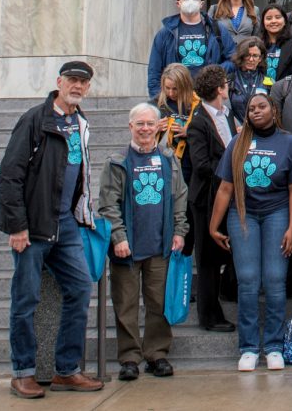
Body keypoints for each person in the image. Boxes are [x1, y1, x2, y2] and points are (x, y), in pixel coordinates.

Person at [0, 60, 104, 398]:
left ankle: (67, 370)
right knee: (25, 299)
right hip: (33, 225)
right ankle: (23, 371)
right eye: (72, 80)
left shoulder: (80, 121)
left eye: (83, 83)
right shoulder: (34, 120)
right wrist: (17, 226)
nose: (77, 86)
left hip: (66, 225)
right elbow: (9, 175)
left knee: (80, 289)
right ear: (59, 81)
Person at [210, 93, 292, 371]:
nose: (256, 112)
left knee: (275, 279)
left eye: (261, 107)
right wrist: (214, 226)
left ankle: (273, 346)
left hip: (277, 213)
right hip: (243, 214)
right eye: (251, 109)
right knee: (248, 281)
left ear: (274, 110)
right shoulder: (238, 143)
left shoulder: (289, 143)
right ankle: (248, 347)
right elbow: (225, 188)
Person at [98, 102, 188, 381]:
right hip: (127, 248)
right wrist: (118, 237)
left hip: (160, 246)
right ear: (131, 127)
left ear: (158, 126)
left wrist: (179, 231)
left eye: (150, 124)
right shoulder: (117, 161)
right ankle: (129, 357)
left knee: (158, 303)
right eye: (140, 124)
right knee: (125, 304)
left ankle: (157, 354)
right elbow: (107, 205)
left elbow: (180, 197)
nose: (145, 129)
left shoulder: (169, 159)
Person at [185, 65, 237, 333]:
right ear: (219, 89)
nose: (228, 87)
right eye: (226, 84)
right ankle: (208, 316)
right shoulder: (198, 122)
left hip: (226, 197)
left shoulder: (226, 115)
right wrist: (230, 173)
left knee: (225, 254)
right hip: (206, 198)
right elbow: (201, 164)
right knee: (207, 261)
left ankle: (226, 296)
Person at [148, 0, 234, 98]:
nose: (190, 0)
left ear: (201, 3)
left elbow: (233, 59)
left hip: (208, 95)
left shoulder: (217, 29)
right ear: (178, 3)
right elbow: (154, 71)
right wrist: (158, 101)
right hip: (176, 97)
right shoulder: (165, 33)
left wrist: (213, 73)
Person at [155, 64, 198, 257]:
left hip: (190, 166)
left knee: (187, 211)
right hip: (164, 167)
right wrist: (153, 128)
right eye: (167, 88)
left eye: (175, 89)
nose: (171, 93)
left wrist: (190, 131)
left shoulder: (196, 104)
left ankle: (185, 255)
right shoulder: (157, 104)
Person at [255, 4, 292, 87]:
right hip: (260, 91)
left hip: (284, 91)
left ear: (285, 21)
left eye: (278, 17)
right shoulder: (257, 44)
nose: (273, 21)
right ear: (263, 22)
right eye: (269, 18)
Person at [228, 38, 267, 122]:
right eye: (247, 55)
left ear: (260, 58)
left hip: (259, 131)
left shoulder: (268, 82)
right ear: (241, 56)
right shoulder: (229, 81)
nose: (251, 59)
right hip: (236, 131)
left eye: (255, 56)